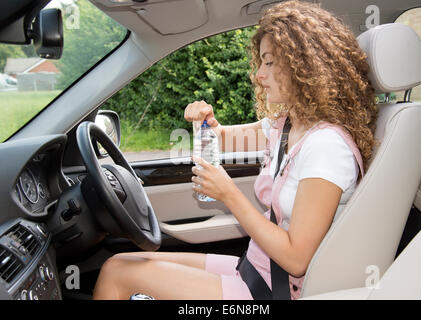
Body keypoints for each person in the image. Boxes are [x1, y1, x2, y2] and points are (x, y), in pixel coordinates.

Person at [92, 0, 378, 300]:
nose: (259, 75)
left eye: (269, 62)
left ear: (304, 64)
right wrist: (206, 122)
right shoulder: (290, 125)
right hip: (254, 270)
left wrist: (229, 194)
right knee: (120, 262)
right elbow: (223, 137)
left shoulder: (327, 148)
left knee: (117, 275)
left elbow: (296, 260)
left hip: (274, 292)